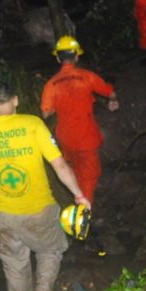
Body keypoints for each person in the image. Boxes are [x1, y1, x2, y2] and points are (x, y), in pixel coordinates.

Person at [0, 82, 90, 291]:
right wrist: (79, 195)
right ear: (15, 101)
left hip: (2, 213)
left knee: (14, 262)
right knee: (50, 251)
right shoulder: (32, 124)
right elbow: (59, 164)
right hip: (39, 209)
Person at [41, 36, 119, 206]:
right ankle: (84, 215)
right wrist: (113, 99)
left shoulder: (51, 84)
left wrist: (59, 105)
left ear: (57, 58)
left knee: (76, 169)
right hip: (85, 135)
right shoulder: (86, 77)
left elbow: (46, 113)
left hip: (65, 137)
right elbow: (108, 91)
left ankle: (80, 201)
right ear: (76, 56)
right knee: (89, 175)